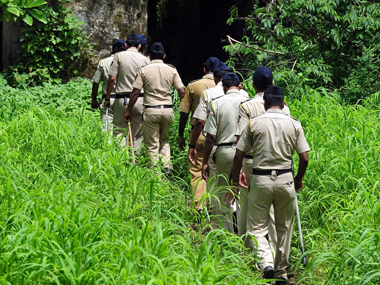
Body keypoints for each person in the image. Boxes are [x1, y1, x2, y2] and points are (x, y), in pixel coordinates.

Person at [228, 85, 309, 284]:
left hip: (260, 180)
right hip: (285, 180)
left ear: (264, 104)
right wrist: (298, 178)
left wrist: (234, 180)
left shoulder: (254, 123)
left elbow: (239, 153)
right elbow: (304, 157)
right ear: (283, 103)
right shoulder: (294, 124)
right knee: (284, 228)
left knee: (256, 227)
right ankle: (281, 272)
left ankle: (266, 262)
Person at [235, 67, 290, 249]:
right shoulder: (284, 108)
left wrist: (242, 168)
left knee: (247, 205)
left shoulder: (246, 106)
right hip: (278, 163)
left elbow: (240, 138)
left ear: (252, 85)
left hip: (251, 162)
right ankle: (274, 252)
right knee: (272, 211)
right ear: (272, 83)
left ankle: (247, 249)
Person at [123, 42, 186, 176]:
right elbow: (182, 92)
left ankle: (155, 174)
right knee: (164, 140)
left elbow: (135, 92)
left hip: (151, 109)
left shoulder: (144, 70)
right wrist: (184, 109)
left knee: (152, 144)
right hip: (168, 110)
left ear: (149, 56)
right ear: (164, 56)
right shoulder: (172, 70)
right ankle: (167, 165)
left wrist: (128, 110)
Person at [201, 72, 249, 233]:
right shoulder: (249, 103)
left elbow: (211, 136)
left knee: (221, 192)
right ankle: (244, 235)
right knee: (242, 192)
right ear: (240, 86)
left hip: (224, 151)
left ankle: (225, 234)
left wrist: (205, 161)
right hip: (245, 153)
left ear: (223, 88)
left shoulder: (216, 103)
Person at [178, 57, 219, 216]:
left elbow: (184, 112)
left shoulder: (194, 86)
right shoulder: (225, 88)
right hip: (218, 136)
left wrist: (181, 135)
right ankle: (216, 208)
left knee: (196, 172)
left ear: (204, 70)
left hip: (198, 134)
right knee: (215, 171)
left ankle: (200, 207)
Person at [104, 33, 150, 155]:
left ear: (126, 45)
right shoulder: (145, 59)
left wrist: (107, 98)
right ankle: (134, 160)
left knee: (120, 130)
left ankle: (121, 159)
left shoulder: (119, 56)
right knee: (137, 133)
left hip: (121, 98)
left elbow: (112, 79)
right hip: (140, 99)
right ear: (139, 46)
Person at [91, 39, 126, 131]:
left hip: (108, 99)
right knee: (121, 129)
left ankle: (107, 145)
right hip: (123, 99)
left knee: (106, 128)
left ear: (112, 50)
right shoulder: (127, 62)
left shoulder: (103, 62)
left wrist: (94, 99)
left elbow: (96, 82)